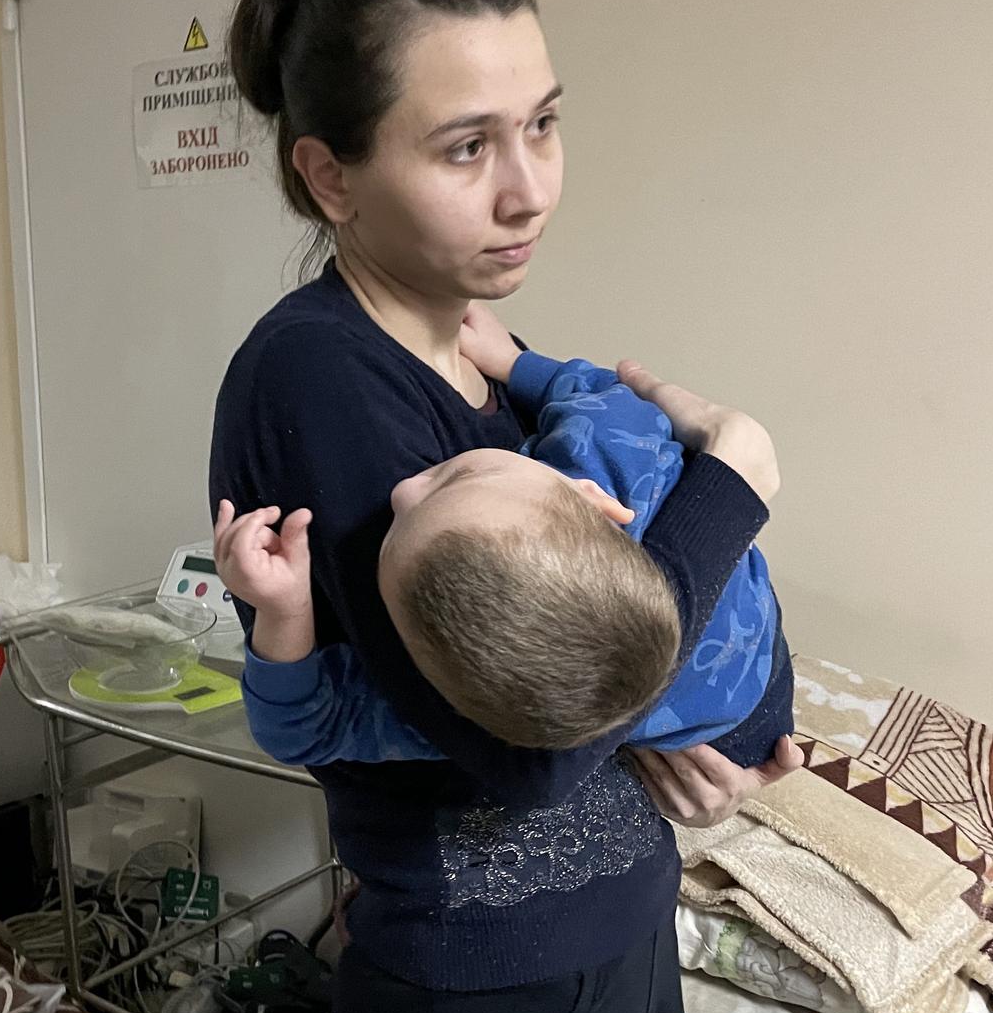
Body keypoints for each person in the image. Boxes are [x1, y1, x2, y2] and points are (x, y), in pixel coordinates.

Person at [207, 0, 803, 1013]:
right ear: (328, 173)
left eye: (542, 125)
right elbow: (524, 748)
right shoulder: (319, 381)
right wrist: (736, 484)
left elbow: (574, 652)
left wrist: (650, 713)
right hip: (483, 988)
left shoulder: (480, 349)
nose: (529, 190)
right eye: (466, 146)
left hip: (616, 936)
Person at [214, 298, 789, 767]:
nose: (402, 491)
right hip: (751, 706)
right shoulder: (609, 453)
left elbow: (300, 731)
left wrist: (283, 615)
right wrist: (515, 363)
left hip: (743, 708)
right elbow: (600, 395)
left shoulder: (458, 711)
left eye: (458, 474)